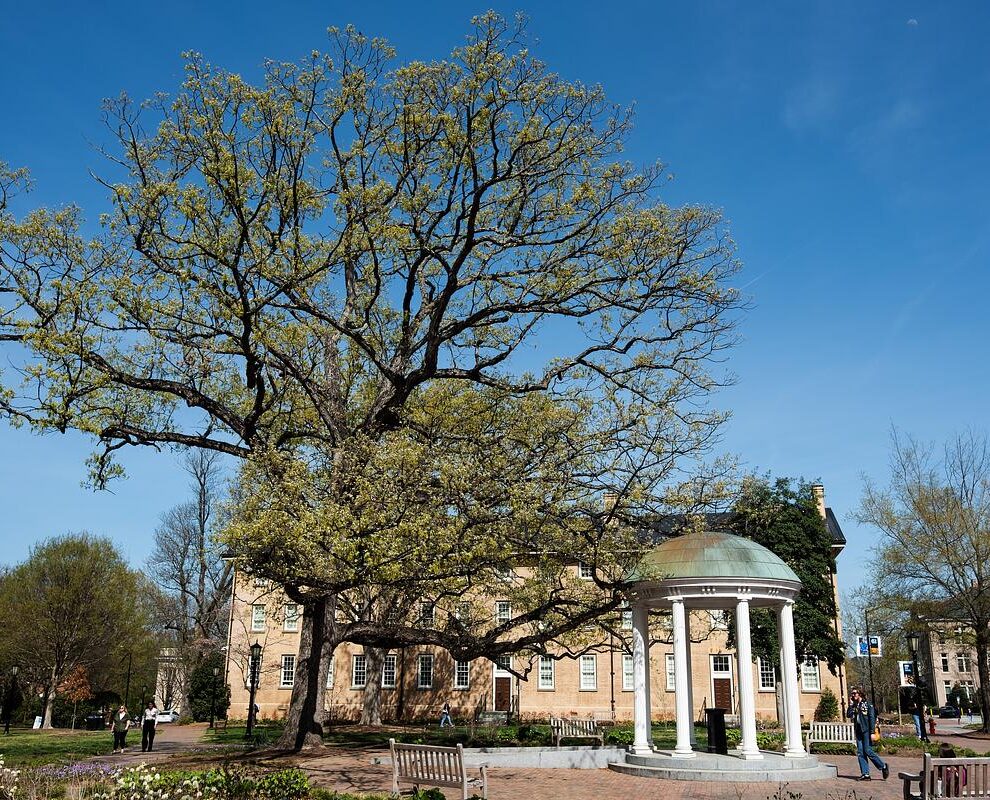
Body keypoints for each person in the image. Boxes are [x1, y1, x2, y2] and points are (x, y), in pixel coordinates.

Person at [846, 687, 889, 781]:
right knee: (860, 752)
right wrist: (850, 704)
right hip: (858, 731)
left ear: (860, 693)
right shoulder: (854, 705)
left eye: (854, 693)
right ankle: (865, 774)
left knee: (868, 750)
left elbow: (871, 718)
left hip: (866, 730)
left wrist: (872, 732)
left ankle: (883, 766)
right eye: (852, 694)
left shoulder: (868, 705)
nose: (853, 695)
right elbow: (848, 715)